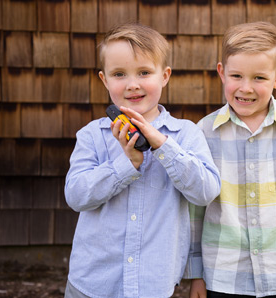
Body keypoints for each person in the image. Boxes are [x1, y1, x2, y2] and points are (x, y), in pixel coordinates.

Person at [64, 23, 221, 298]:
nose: (132, 84)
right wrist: (127, 164)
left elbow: (206, 191)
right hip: (92, 284)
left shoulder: (185, 134)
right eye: (119, 74)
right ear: (104, 79)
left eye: (144, 72)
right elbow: (76, 196)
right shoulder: (92, 136)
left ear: (165, 76)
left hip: (153, 285)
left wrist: (163, 146)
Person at [188, 22, 276, 298]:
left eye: (259, 78)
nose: (246, 88)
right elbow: (194, 210)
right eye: (237, 76)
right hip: (222, 275)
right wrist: (195, 273)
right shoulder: (204, 132)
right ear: (222, 72)